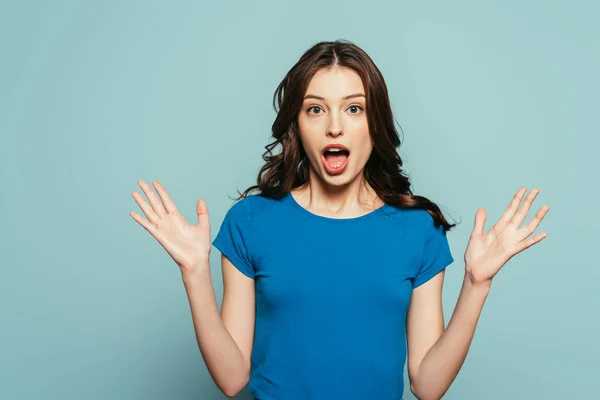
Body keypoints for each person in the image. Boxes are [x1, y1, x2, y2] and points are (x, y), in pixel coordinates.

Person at [129, 40, 549, 400]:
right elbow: (231, 377)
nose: (334, 127)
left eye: (353, 108)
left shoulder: (418, 228)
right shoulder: (251, 221)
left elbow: (428, 384)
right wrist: (195, 273)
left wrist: (476, 284)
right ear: (296, 124)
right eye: (315, 109)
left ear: (375, 122)